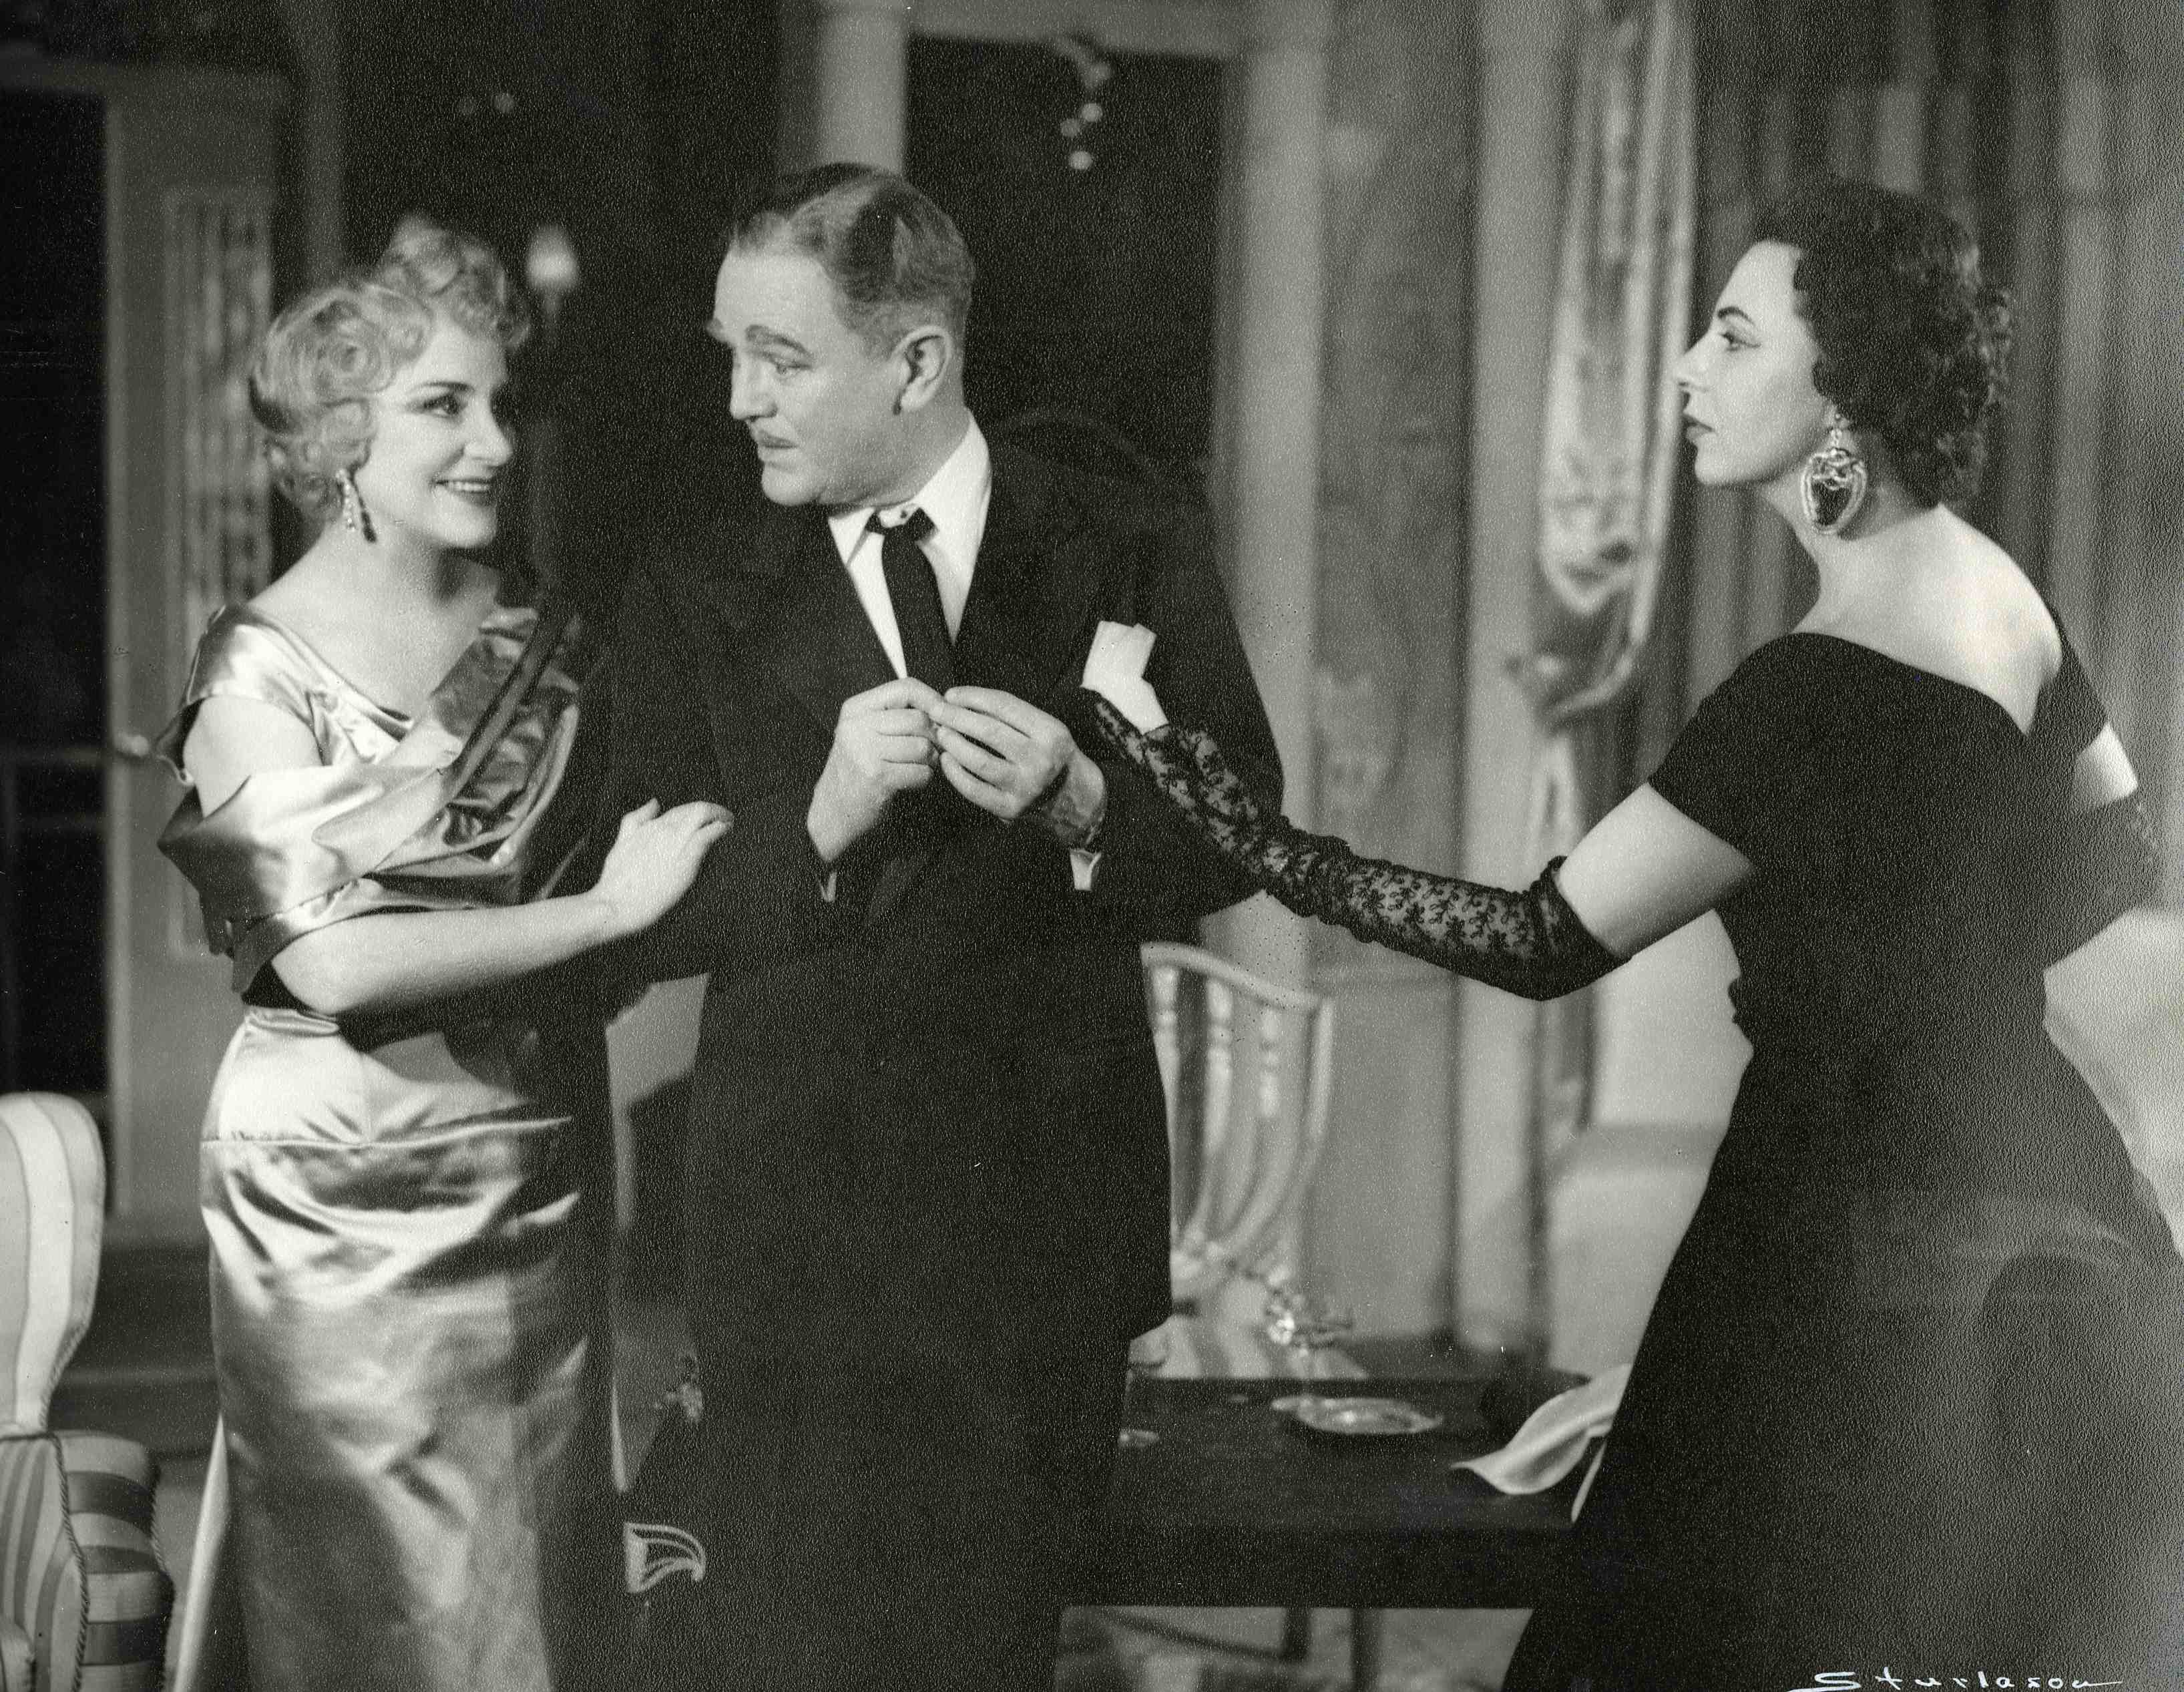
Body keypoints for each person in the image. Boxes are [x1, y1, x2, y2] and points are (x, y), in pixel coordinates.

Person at [1084, 175, 2184, 1685]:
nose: (1684, 367)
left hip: (1839, 1258)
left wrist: (1246, 831)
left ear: (1844, 392)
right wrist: (1934, 978)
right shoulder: (1999, 590)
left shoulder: (1807, 690)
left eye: (1734, 337)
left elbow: (1543, 941)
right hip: (2061, 1216)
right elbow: (2123, 848)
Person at [604, 163, 1279, 1691]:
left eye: (780, 359)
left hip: (1041, 1241)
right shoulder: (696, 582)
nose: (739, 401)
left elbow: (1247, 823)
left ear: (915, 363)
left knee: (992, 1657)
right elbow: (631, 921)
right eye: (730, 354)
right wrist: (817, 821)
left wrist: (1092, 804)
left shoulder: (1123, 538)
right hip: (797, 1246)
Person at [158, 219, 728, 1692]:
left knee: (530, 1605)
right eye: (442, 406)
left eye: (498, 403)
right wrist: (608, 913)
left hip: (536, 1156)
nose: (493, 442)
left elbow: (613, 917)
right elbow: (330, 965)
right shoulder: (255, 663)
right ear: (341, 437)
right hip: (335, 1191)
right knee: (368, 1609)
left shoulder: (550, 638)